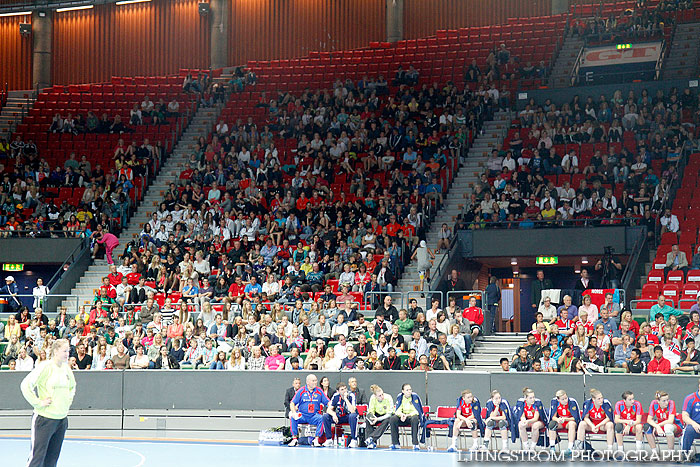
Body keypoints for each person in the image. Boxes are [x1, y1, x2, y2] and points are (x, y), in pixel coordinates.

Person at [20, 339, 76, 467]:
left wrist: (67, 401)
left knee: (52, 461)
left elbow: (72, 387)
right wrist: (38, 402)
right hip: (44, 420)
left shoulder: (66, 369)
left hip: (61, 420)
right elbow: (26, 385)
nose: (67, 354)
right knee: (37, 459)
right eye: (65, 351)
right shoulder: (45, 367)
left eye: (68, 351)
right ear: (55, 351)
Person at [289, 374, 330, 447]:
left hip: (313, 416)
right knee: (293, 417)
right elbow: (292, 403)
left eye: (316, 381)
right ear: (308, 382)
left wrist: (331, 408)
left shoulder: (319, 391)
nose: (315, 382)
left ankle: (316, 439)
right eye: (313, 381)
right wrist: (294, 413)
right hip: (302, 415)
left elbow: (328, 402)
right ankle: (294, 439)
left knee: (321, 418)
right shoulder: (301, 391)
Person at [574, 389, 614, 453]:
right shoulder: (588, 404)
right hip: (592, 424)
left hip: (602, 425)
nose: (601, 400)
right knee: (582, 423)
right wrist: (592, 426)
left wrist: (598, 426)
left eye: (602, 398)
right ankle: (579, 447)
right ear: (593, 399)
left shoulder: (606, 404)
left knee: (610, 424)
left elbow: (608, 418)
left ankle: (610, 449)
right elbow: (586, 418)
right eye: (599, 399)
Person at [389, 383, 425, 450]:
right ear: (403, 391)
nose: (409, 391)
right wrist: (401, 415)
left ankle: (415, 444)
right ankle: (395, 443)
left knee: (415, 418)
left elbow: (417, 411)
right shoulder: (400, 397)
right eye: (407, 390)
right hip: (402, 417)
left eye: (410, 389)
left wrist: (407, 415)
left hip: (411, 418)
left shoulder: (415, 397)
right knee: (393, 418)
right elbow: (397, 410)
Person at [323, 382, 358, 448]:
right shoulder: (335, 396)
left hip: (348, 416)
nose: (344, 391)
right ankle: (329, 439)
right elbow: (328, 409)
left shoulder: (351, 395)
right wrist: (333, 414)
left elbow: (352, 411)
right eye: (342, 390)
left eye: (345, 389)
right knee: (325, 416)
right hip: (338, 416)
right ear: (338, 391)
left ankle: (354, 440)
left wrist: (346, 399)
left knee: (353, 416)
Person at [548, 390, 580, 455]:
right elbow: (553, 417)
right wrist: (557, 419)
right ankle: (552, 446)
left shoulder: (572, 402)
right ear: (558, 399)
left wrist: (566, 419)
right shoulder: (554, 402)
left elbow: (575, 418)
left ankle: (570, 448)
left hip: (569, 421)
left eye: (566, 398)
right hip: (561, 422)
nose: (565, 400)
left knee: (572, 424)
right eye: (563, 399)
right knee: (552, 424)